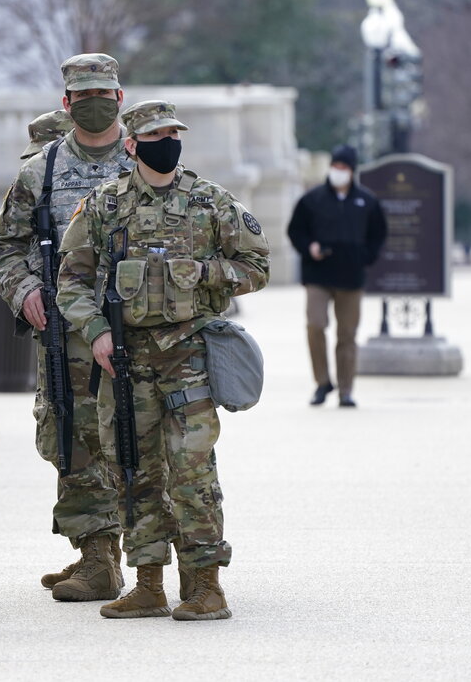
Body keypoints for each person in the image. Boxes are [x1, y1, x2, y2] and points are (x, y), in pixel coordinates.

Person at [56, 100, 270, 620]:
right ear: (132, 145)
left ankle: (205, 585)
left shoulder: (210, 201)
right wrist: (98, 332)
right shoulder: (105, 206)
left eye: (173, 133)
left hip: (189, 353)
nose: (166, 142)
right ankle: (148, 582)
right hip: (126, 361)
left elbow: (257, 266)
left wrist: (204, 273)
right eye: (155, 134)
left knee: (193, 469)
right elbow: (72, 280)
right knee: (135, 468)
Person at [0, 53, 131, 602]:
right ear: (66, 103)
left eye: (104, 94)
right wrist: (24, 292)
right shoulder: (41, 170)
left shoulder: (144, 161)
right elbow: (4, 245)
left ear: (120, 98)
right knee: (72, 437)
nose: (95, 105)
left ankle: (145, 558)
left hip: (131, 331)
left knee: (137, 439)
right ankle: (97, 556)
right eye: (83, 96)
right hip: (64, 336)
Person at [287, 144, 387, 407]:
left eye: (343, 167)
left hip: (351, 279)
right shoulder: (312, 199)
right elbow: (295, 230)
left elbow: (378, 235)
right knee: (315, 325)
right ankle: (322, 382)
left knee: (347, 335)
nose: (338, 171)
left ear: (352, 171)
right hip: (318, 275)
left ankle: (346, 389)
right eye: (335, 166)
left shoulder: (367, 201)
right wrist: (309, 247)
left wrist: (365, 257)